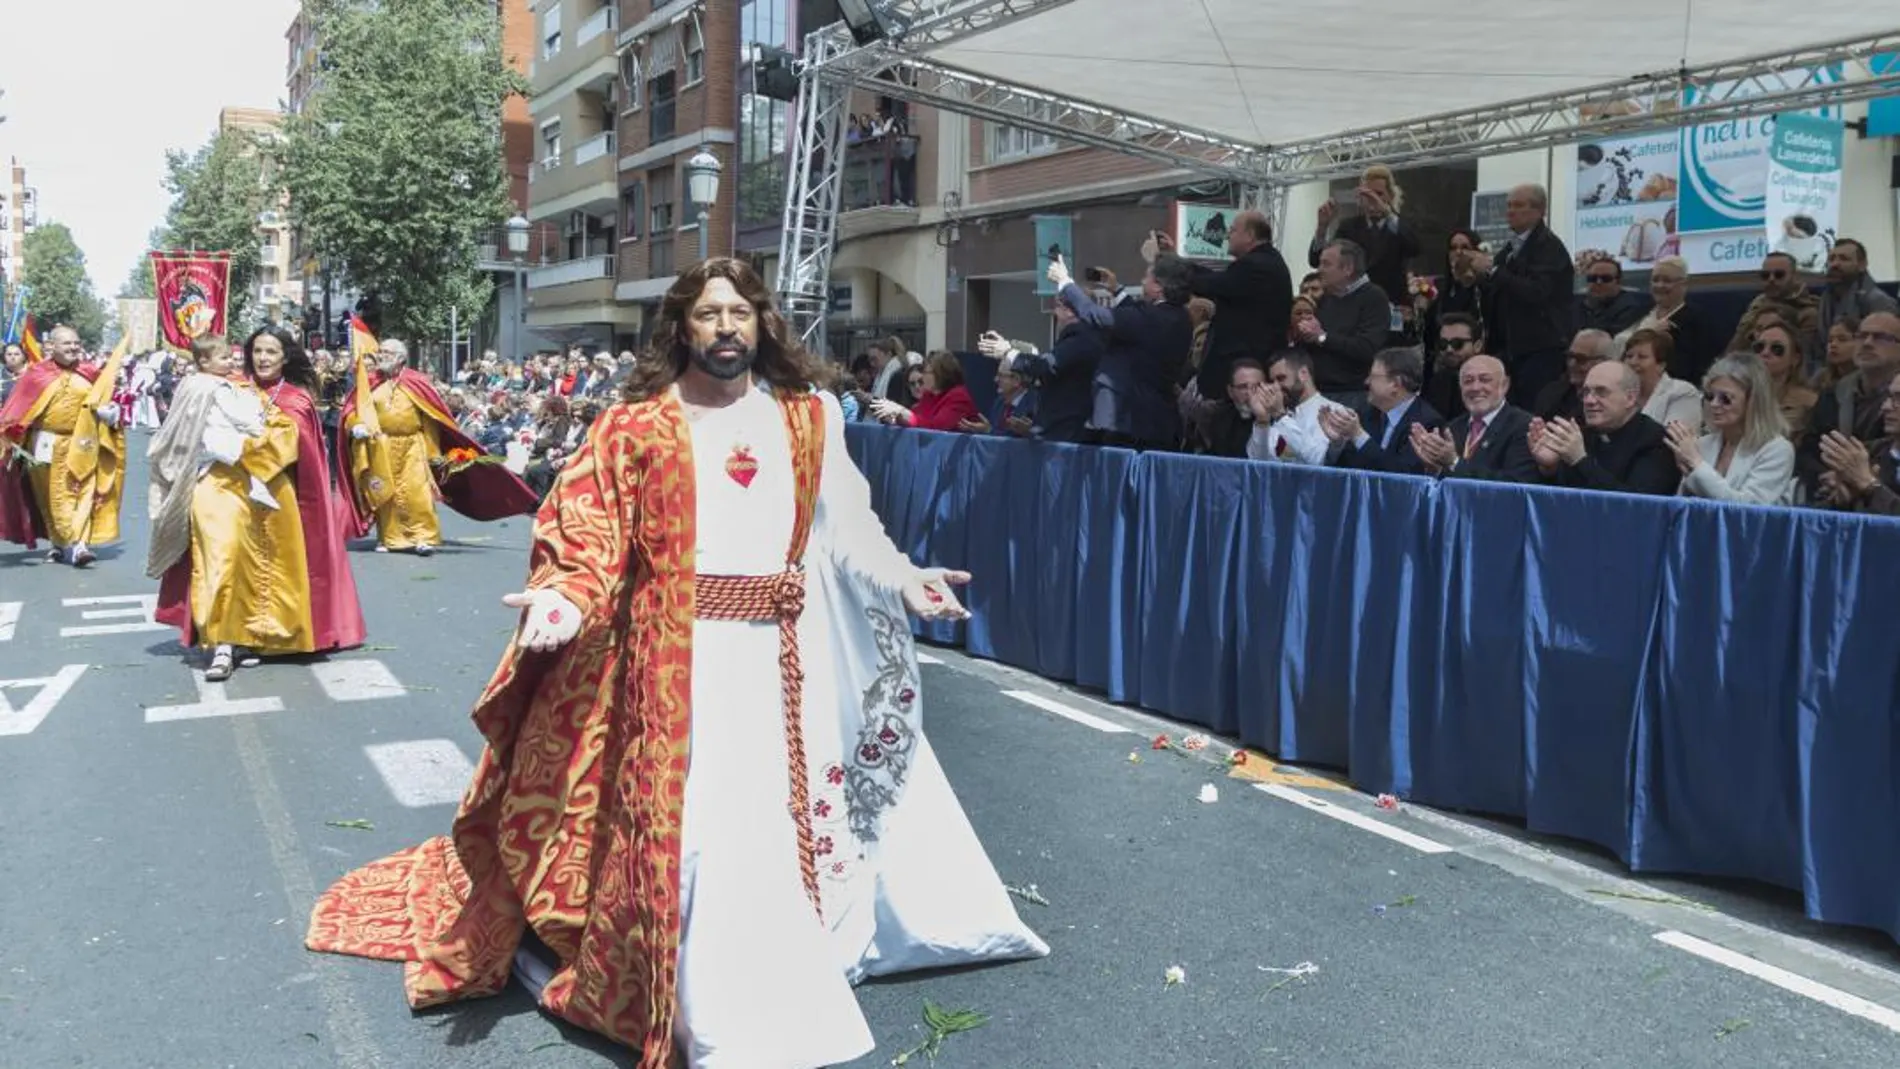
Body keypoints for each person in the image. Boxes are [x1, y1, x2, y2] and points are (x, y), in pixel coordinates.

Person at [305, 258, 1049, 1069]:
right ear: (681, 327)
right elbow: (587, 534)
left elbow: (849, 527)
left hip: (787, 664)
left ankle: (790, 958)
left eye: (740, 312)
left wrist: (908, 579)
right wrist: (564, 601)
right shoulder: (635, 426)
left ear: (762, 323)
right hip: (679, 663)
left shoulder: (806, 419)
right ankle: (710, 998)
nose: (726, 327)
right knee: (705, 833)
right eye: (709, 314)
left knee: (791, 819)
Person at [148, 332, 366, 680]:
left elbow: (294, 446)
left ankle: (265, 638)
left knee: (270, 568)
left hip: (275, 492)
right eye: (257, 351)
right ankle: (224, 639)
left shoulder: (296, 399)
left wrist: (247, 451)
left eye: (271, 351)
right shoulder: (226, 386)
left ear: (285, 357)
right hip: (222, 487)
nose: (263, 358)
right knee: (224, 561)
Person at [336, 337, 538, 555]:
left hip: (412, 446)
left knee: (417, 492)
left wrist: (432, 452)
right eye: (381, 351)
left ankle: (423, 537)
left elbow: (431, 419)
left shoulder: (415, 381)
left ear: (400, 358)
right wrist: (356, 426)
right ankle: (390, 538)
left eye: (386, 352)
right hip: (380, 445)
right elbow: (354, 412)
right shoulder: (370, 383)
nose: (381, 356)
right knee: (386, 493)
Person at [0, 325, 126, 565]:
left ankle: (79, 545)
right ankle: (58, 543)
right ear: (52, 347)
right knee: (51, 496)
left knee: (83, 491)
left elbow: (105, 400)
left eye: (76, 343)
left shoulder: (88, 372)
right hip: (45, 444)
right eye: (67, 343)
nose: (73, 347)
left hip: (83, 443)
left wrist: (109, 413)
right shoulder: (36, 374)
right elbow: (16, 410)